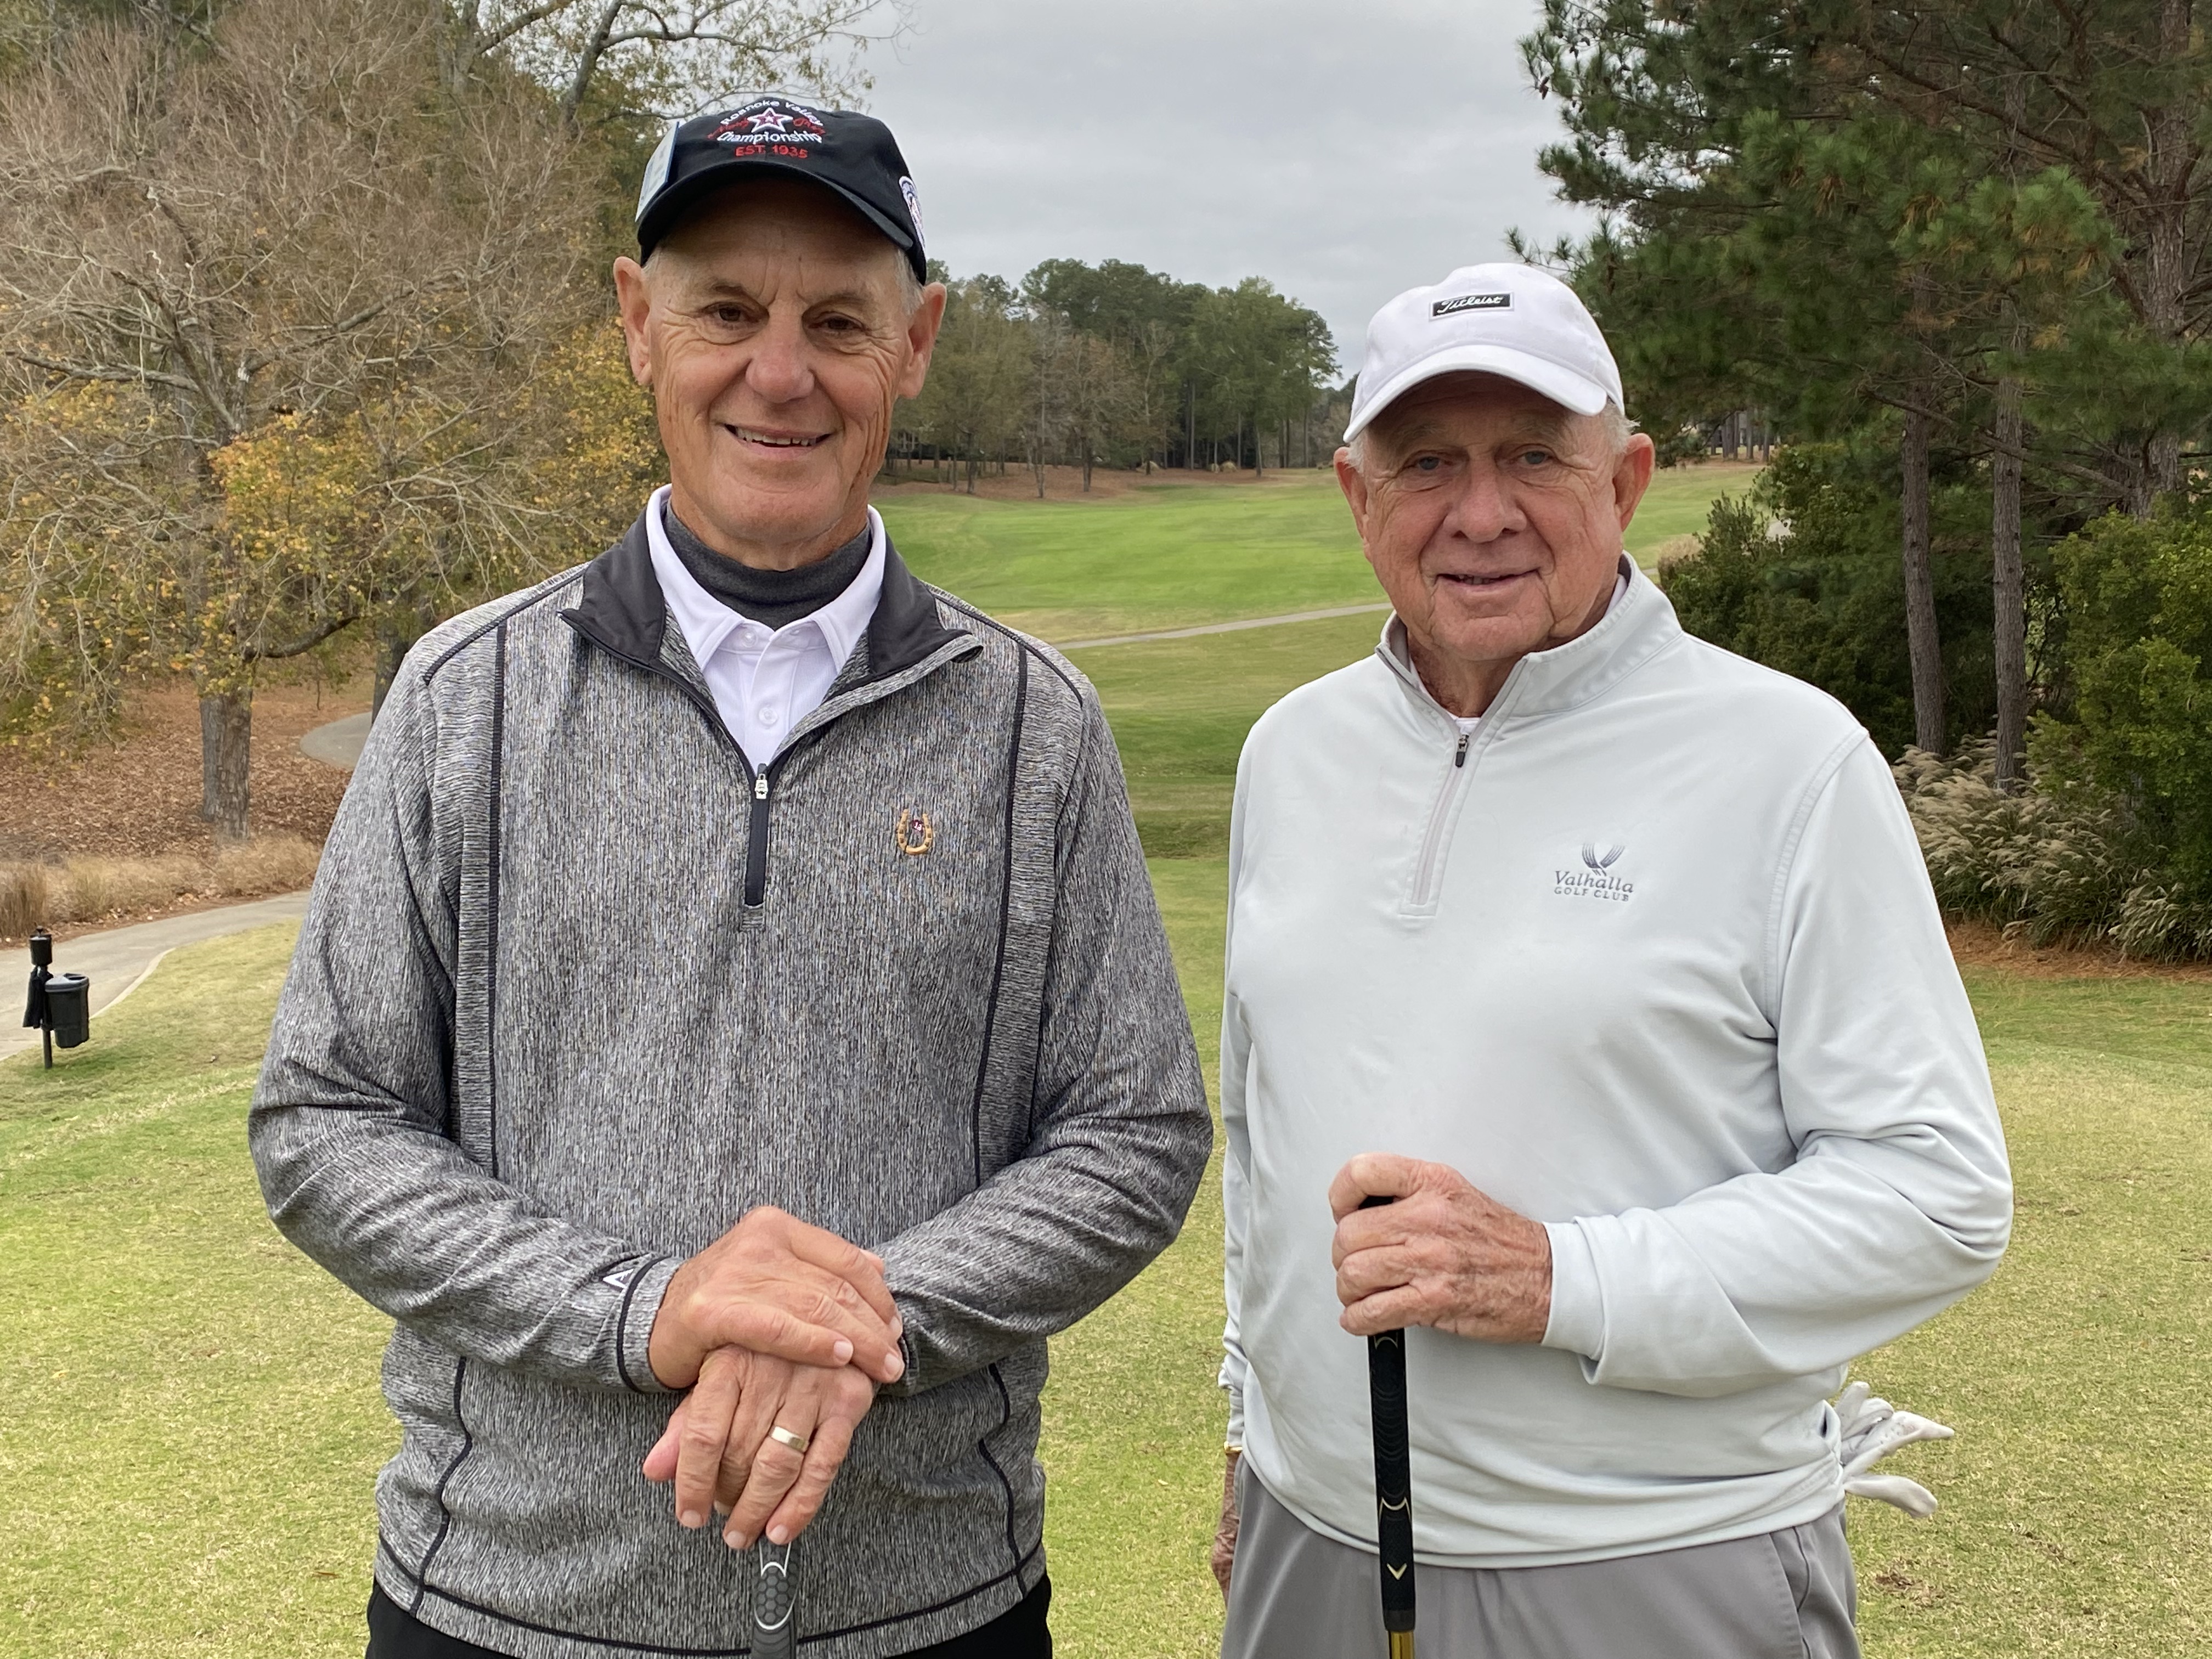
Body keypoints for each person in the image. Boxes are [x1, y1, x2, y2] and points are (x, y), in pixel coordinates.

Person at [249, 94, 1211, 1659]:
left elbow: (1134, 1134)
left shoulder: (1033, 725)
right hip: (504, 1602)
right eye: (726, 312)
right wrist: (648, 1312)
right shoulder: (463, 698)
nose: (782, 371)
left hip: (931, 1604)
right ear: (638, 324)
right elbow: (327, 1125)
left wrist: (858, 1319)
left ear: (919, 341)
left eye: (840, 318)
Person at [1210, 262, 2012, 1658]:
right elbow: (1266, 1135)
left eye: (1534, 455)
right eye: (1427, 463)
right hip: (1313, 1548)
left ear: (1627, 481)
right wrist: (1250, 1431)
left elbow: (1936, 1195)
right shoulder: (1292, 753)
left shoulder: (1789, 761)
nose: (1480, 512)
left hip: (1653, 1564)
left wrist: (1559, 1279)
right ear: (1356, 496)